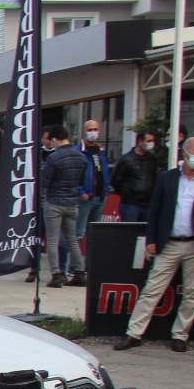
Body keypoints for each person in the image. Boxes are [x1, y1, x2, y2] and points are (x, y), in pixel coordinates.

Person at [117, 135, 194, 352]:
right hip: (169, 244)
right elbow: (155, 211)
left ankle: (180, 335)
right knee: (152, 289)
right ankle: (134, 333)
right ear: (185, 153)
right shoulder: (167, 178)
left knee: (192, 293)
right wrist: (152, 240)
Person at [38, 124, 88, 288]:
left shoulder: (54, 158)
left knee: (52, 240)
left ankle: (57, 275)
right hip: (72, 202)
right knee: (72, 240)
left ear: (54, 139)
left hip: (54, 202)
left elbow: (44, 181)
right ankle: (79, 272)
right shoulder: (80, 157)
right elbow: (82, 181)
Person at [73, 118, 111, 282]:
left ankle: (88, 266)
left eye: (96, 129)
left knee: (93, 234)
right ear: (84, 132)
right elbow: (74, 175)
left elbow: (103, 172)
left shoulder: (100, 151)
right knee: (78, 233)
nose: (93, 132)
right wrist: (80, 191)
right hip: (85, 198)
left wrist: (106, 189)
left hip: (99, 197)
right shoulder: (78, 151)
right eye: (90, 129)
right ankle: (74, 267)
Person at [111, 130, 160, 224]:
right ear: (140, 142)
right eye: (149, 141)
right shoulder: (126, 159)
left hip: (148, 204)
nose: (151, 144)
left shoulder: (152, 159)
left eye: (153, 141)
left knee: (144, 234)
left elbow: (153, 177)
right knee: (129, 233)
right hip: (130, 204)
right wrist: (126, 193)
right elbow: (115, 179)